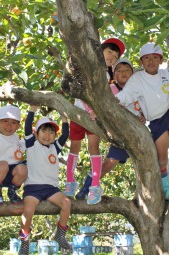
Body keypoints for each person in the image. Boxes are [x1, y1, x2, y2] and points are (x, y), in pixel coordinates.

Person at [116, 43, 169, 200]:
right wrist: (114, 101)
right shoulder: (137, 78)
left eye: (155, 58)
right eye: (147, 58)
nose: (151, 61)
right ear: (141, 62)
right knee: (162, 158)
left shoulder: (164, 74)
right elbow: (126, 95)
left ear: (160, 60)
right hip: (158, 122)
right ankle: (165, 188)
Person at [64, 38, 125, 205]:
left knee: (93, 147)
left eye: (115, 55)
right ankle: (70, 181)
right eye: (109, 52)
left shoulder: (108, 76)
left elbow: (105, 96)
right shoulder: (90, 67)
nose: (112, 56)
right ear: (101, 51)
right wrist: (91, 109)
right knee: (74, 146)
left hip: (94, 116)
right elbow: (84, 90)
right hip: (79, 112)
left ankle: (95, 185)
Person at [76, 58, 144, 195]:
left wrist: (143, 116)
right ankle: (86, 187)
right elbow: (91, 98)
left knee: (144, 162)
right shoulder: (111, 89)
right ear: (114, 74)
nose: (124, 73)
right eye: (119, 71)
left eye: (127, 71)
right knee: (109, 163)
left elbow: (143, 108)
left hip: (136, 133)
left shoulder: (138, 90)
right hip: (119, 133)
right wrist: (93, 110)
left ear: (133, 74)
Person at [18, 105, 71, 255]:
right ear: (37, 132)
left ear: (54, 135)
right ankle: (25, 242)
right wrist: (32, 110)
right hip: (33, 188)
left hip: (51, 189)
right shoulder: (31, 144)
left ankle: (60, 235)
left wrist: (64, 118)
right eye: (44, 131)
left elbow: (65, 135)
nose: (47, 135)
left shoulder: (55, 147)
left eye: (51, 132)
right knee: (28, 211)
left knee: (66, 203)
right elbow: (27, 127)